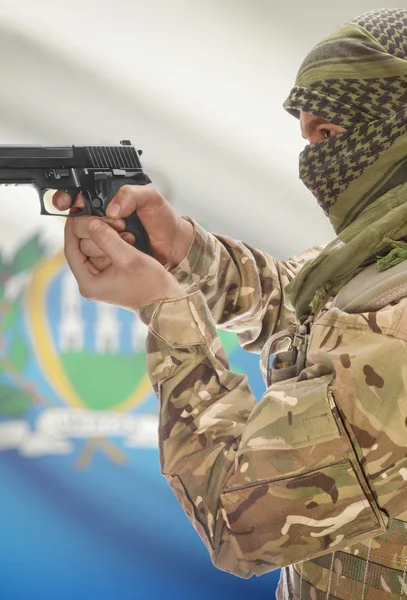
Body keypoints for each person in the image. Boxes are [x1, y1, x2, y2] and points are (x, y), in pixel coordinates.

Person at [53, 8, 407, 599]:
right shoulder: (384, 253)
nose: (313, 161)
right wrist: (184, 250)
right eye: (306, 136)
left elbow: (240, 522)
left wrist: (166, 310)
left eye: (329, 134)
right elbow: (305, 307)